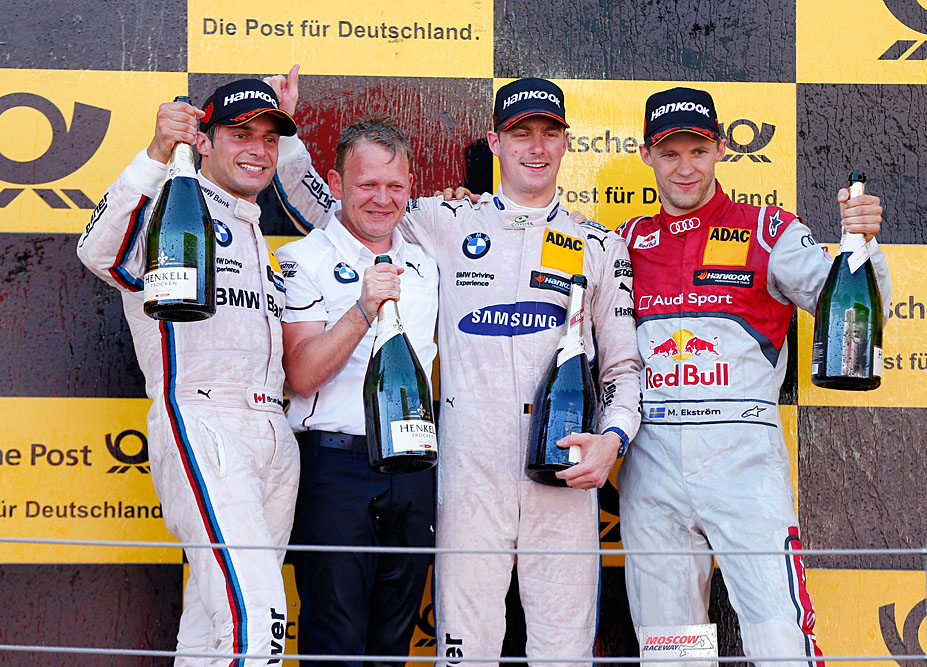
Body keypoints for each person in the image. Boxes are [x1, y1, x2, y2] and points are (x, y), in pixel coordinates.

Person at [273, 77, 643, 666]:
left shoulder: (599, 244)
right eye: (521, 134)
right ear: (495, 142)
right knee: (465, 652)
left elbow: (623, 365)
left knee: (564, 652)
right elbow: (343, 210)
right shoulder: (445, 219)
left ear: (567, 142)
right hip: (468, 473)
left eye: (549, 134)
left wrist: (613, 439)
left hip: (564, 469)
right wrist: (286, 136)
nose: (536, 148)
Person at [615, 87, 891, 665]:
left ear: (721, 148)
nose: (685, 167)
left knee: (778, 635)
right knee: (670, 649)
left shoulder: (770, 230)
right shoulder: (627, 241)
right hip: (651, 459)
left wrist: (865, 243)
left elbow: (854, 309)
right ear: (646, 155)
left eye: (698, 150)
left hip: (743, 458)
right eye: (669, 153)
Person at [77, 78, 306, 666]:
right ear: (203, 141)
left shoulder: (254, 227)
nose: (258, 149)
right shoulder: (172, 202)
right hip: (203, 418)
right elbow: (99, 253)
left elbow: (350, 217)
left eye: (270, 138)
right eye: (240, 134)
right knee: (258, 618)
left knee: (210, 626)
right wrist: (157, 153)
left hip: (272, 429)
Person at [275, 115, 438, 667]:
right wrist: (363, 309)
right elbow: (300, 374)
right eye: (367, 184)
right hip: (335, 466)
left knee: (393, 645)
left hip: (414, 466)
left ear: (411, 187)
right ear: (337, 183)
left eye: (395, 186)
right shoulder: (302, 260)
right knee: (335, 641)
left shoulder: (427, 261)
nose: (381, 199)